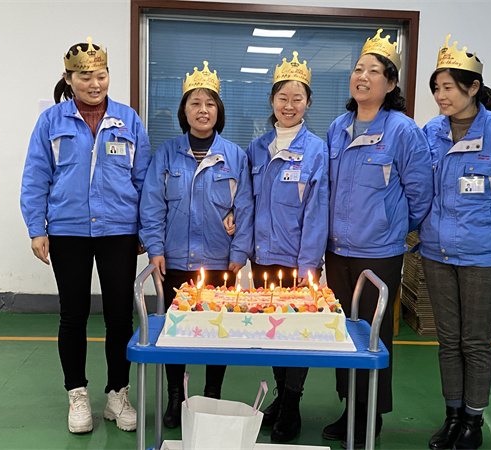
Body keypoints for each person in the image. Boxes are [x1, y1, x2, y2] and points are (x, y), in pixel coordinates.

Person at [20, 37, 151, 434]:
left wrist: (145, 230)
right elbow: (36, 176)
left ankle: (117, 394)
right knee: (73, 315)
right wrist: (36, 228)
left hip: (119, 231)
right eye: (85, 77)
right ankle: (77, 393)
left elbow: (143, 180)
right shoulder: (52, 121)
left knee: (119, 316)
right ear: (68, 78)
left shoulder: (128, 119)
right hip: (68, 230)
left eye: (101, 75)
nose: (95, 84)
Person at [420, 35, 491, 450]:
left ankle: (473, 420)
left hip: (484, 257)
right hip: (436, 253)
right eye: (436, 88)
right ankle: (452, 415)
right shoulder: (430, 132)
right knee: (448, 341)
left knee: (476, 342)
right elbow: (421, 189)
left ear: (473, 87)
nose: (440, 96)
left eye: (448, 87)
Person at [322, 30, 433, 447]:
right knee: (343, 330)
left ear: (390, 83)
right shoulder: (337, 128)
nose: (362, 76)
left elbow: (420, 193)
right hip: (337, 252)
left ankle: (371, 415)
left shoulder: (402, 131)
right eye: (358, 69)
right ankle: (349, 407)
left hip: (379, 253)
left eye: (374, 71)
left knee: (373, 336)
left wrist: (394, 228)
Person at [139, 61, 254, 429]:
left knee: (217, 332)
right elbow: (152, 205)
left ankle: (211, 396)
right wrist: (155, 248)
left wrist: (239, 253)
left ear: (219, 111)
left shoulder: (235, 156)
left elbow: (246, 209)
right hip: (174, 261)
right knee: (175, 331)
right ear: (184, 110)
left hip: (220, 262)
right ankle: (176, 396)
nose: (203, 110)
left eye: (210, 104)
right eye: (195, 103)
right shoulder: (166, 154)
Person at [242, 51, 329, 443]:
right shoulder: (257, 148)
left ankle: (292, 404)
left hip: (297, 262)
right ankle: (281, 395)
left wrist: (309, 265)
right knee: (272, 332)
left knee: (296, 333)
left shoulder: (316, 150)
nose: (289, 105)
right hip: (263, 259)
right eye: (282, 97)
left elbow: (317, 212)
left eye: (297, 98)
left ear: (308, 102)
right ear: (272, 101)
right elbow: (247, 203)